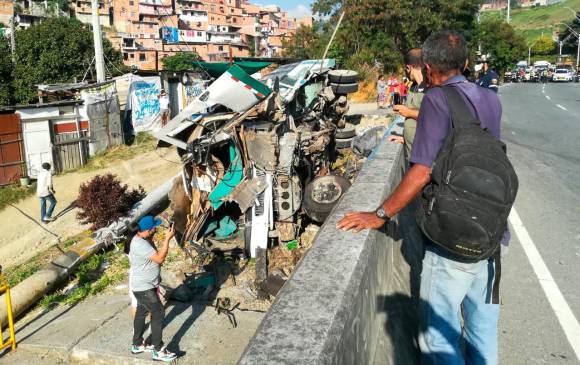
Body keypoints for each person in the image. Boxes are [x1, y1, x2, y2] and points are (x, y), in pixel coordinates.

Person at [337, 30, 505, 364]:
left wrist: (379, 215)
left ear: (427, 68)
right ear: (468, 63)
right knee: (482, 334)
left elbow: (422, 171)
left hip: (451, 236)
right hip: (491, 231)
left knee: (438, 339)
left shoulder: (437, 99)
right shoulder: (491, 98)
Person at [130, 215, 176, 362]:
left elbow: (154, 256)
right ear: (148, 229)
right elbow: (160, 259)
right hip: (145, 288)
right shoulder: (140, 244)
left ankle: (137, 344)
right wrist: (167, 239)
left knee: (141, 312)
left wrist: (152, 238)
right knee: (158, 314)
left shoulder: (142, 239)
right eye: (154, 227)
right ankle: (159, 350)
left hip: (141, 286)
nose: (156, 228)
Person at [389, 48, 427, 159]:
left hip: (424, 157)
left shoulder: (430, 86)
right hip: (411, 151)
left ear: (408, 67)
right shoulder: (413, 87)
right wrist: (405, 138)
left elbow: (435, 116)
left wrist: (408, 112)